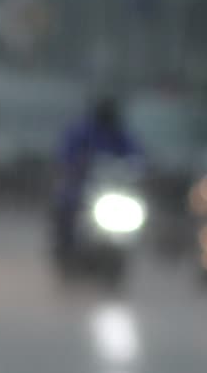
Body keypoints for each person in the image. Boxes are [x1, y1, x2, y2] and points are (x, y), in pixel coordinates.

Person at [52, 96, 143, 258]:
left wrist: (139, 168)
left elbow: (137, 156)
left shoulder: (120, 134)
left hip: (111, 188)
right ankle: (65, 244)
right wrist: (75, 164)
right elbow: (66, 153)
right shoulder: (82, 131)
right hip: (83, 186)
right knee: (66, 203)